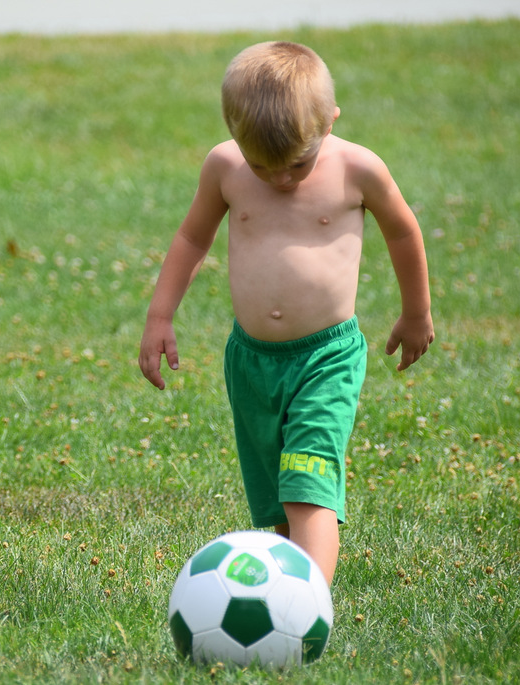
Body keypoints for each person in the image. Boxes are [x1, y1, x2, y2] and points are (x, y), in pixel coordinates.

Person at [138, 41, 434, 587]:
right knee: (273, 503)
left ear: (330, 120)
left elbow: (402, 229)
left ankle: (308, 604)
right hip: (250, 362)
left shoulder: (357, 168)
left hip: (326, 356)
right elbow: (191, 237)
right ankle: (274, 600)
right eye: (261, 166)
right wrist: (160, 316)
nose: (278, 180)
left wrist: (416, 311)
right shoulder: (225, 166)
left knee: (307, 484)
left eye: (297, 164)